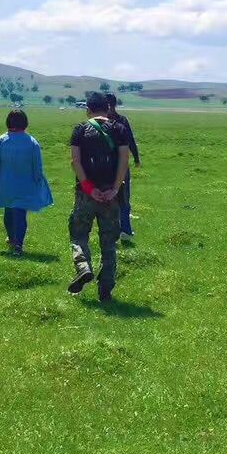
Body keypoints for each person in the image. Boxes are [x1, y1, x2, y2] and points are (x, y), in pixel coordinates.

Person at [66, 92, 131, 302]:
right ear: (108, 109)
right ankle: (105, 290)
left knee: (78, 235)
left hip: (86, 194)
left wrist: (88, 187)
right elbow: (124, 160)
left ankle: (83, 267)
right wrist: (115, 188)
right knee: (109, 244)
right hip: (111, 195)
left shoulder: (80, 130)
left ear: (88, 110)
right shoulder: (119, 129)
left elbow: (75, 161)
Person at [0, 109, 54, 255]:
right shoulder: (32, 142)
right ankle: (18, 243)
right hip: (25, 185)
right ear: (25, 123)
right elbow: (37, 167)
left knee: (9, 211)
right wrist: (38, 180)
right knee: (20, 213)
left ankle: (12, 239)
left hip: (5, 184)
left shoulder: (0, 141)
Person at [107, 93, 141, 239]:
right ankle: (123, 230)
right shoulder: (121, 121)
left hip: (107, 165)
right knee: (123, 198)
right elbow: (130, 140)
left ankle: (119, 230)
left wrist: (136, 157)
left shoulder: (101, 122)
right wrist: (136, 158)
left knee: (115, 198)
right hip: (119, 165)